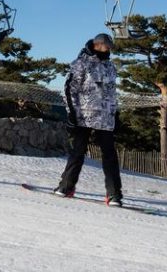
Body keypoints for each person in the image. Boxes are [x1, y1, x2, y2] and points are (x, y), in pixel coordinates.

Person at [54, 33, 123, 207]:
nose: (109, 51)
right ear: (98, 45)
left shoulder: (110, 67)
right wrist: (71, 113)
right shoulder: (81, 63)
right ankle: (66, 186)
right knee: (78, 151)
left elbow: (112, 93)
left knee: (110, 156)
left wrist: (116, 114)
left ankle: (114, 195)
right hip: (84, 115)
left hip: (105, 117)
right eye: (108, 48)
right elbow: (70, 89)